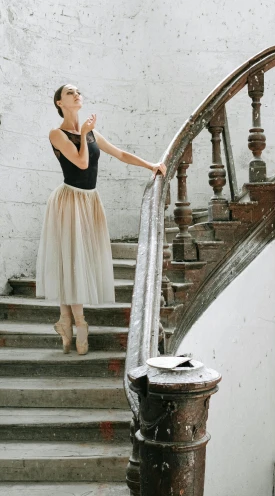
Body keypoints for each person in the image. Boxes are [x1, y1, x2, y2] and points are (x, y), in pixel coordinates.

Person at [36, 84, 166, 355]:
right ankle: (80, 323)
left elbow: (120, 154)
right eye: (70, 93)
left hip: (90, 201)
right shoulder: (56, 134)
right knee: (72, 261)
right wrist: (83, 134)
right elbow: (81, 163)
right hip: (70, 201)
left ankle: (65, 320)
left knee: (77, 261)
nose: (76, 95)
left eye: (78, 92)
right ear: (60, 103)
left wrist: (150, 165)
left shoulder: (91, 132)